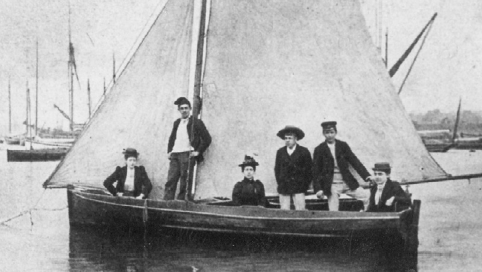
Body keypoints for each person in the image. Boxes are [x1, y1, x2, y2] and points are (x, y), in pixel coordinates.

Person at [313, 121, 372, 211]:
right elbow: (316, 171)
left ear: (336, 132)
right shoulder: (319, 149)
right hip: (332, 185)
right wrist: (318, 189)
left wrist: (367, 176)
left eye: (332, 132)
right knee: (333, 210)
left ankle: (366, 216)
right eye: (327, 133)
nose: (329, 135)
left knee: (367, 196)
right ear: (323, 134)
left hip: (347, 182)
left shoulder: (343, 146)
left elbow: (355, 161)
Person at [164, 97, 212, 200]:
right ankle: (167, 203)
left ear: (190, 109)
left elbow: (207, 138)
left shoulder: (196, 122)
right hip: (175, 154)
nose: (184, 110)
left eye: (186, 108)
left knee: (185, 182)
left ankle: (182, 203)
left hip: (187, 154)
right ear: (179, 110)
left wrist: (198, 151)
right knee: (171, 180)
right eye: (182, 108)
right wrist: (169, 151)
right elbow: (172, 137)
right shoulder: (177, 122)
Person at [274, 126, 312, 210]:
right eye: (285, 138)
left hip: (299, 187)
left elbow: (309, 170)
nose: (287, 140)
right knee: (284, 211)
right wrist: (281, 182)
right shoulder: (280, 152)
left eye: (290, 138)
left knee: (300, 210)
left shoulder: (304, 152)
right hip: (284, 187)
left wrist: (304, 185)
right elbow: (277, 169)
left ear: (296, 139)